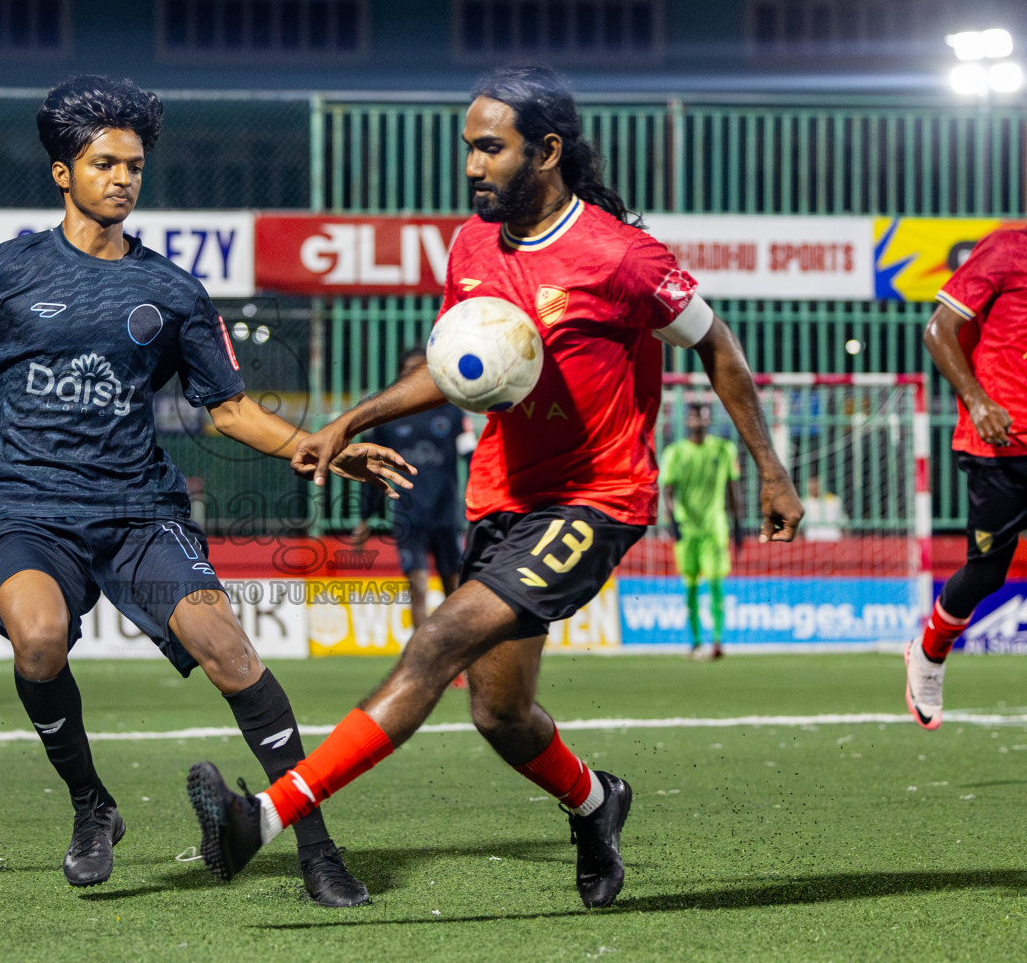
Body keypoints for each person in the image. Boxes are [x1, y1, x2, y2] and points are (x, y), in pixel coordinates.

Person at [0, 76, 411, 904]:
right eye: (104, 164)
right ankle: (93, 805)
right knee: (38, 640)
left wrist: (318, 447)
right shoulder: (5, 271)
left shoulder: (172, 291)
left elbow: (231, 410)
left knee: (231, 652)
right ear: (63, 173)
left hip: (139, 513)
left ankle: (317, 849)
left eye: (134, 166)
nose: (123, 178)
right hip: (30, 511)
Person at [185, 63, 802, 910]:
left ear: (546, 151)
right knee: (500, 715)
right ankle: (596, 801)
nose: (472, 165)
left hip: (596, 499)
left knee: (436, 642)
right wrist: (354, 419)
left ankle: (261, 816)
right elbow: (456, 369)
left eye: (490, 148)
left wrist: (771, 468)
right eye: (468, 147)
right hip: (501, 500)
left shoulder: (623, 257)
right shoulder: (471, 246)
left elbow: (718, 348)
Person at [905, 224, 1027, 729]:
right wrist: (977, 402)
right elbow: (938, 331)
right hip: (1000, 446)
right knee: (986, 574)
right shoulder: (1007, 248)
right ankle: (928, 655)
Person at [351, 347, 472, 634]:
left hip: (446, 514)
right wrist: (364, 517)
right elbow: (374, 469)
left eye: (421, 370)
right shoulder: (387, 418)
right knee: (417, 587)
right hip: (409, 516)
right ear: (401, 376)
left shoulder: (452, 411)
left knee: (453, 588)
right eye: (409, 371)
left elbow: (473, 459)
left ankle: (456, 652)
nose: (415, 376)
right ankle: (423, 654)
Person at [659, 402, 742, 660]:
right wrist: (672, 522)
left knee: (716, 583)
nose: (698, 421)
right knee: (691, 587)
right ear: (687, 421)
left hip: (715, 528)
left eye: (702, 417)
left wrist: (738, 524)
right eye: (693, 416)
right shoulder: (675, 453)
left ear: (709, 421)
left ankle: (717, 641)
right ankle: (695, 642)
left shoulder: (724, 449)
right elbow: (668, 491)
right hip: (687, 529)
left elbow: (732, 489)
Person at [799, 474, 846, 543]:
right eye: (811, 484)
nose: (814, 487)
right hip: (812, 539)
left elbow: (843, 521)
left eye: (816, 484)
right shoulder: (804, 502)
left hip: (833, 538)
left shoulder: (834, 500)